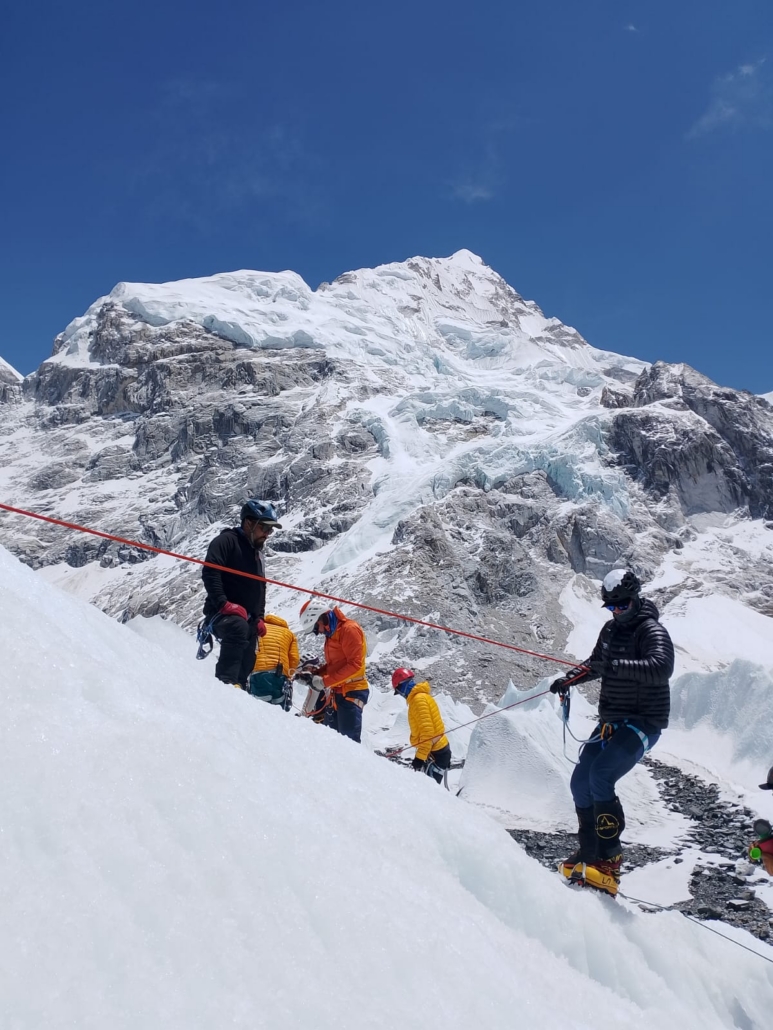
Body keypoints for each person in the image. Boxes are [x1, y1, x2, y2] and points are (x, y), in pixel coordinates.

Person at [549, 569, 674, 896]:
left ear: (635, 600)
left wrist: (615, 667)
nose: (616, 612)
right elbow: (595, 664)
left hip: (644, 722)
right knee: (580, 781)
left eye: (621, 606)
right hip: (611, 720)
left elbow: (661, 668)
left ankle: (610, 859)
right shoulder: (610, 631)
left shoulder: (651, 630)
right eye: (611, 608)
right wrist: (568, 680)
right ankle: (589, 850)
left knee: (601, 775)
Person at [201, 500, 282, 688]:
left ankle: (240, 686)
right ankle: (225, 683)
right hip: (221, 613)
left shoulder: (258, 555)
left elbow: (260, 589)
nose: (267, 534)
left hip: (248, 618)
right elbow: (210, 572)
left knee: (249, 650)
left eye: (271, 530)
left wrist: (260, 618)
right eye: (264, 528)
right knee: (238, 628)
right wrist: (224, 604)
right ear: (248, 523)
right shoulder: (226, 541)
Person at [295, 599, 369, 743]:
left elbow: (355, 665)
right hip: (339, 693)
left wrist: (324, 682)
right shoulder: (332, 635)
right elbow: (334, 666)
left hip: (351, 691)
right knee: (333, 743)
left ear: (320, 619)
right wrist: (313, 676)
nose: (318, 633)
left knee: (349, 744)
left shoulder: (349, 629)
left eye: (316, 628)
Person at [391, 668, 452, 785]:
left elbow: (427, 733)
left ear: (402, 686)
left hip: (436, 753)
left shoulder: (418, 701)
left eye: (398, 691)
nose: (400, 695)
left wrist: (419, 758)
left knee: (430, 793)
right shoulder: (421, 697)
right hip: (437, 750)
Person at [246, 613, 299, 710]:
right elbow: (294, 659)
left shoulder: (259, 627)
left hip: (259, 673)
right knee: (278, 710)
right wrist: (288, 675)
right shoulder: (288, 633)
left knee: (260, 708)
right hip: (280, 676)